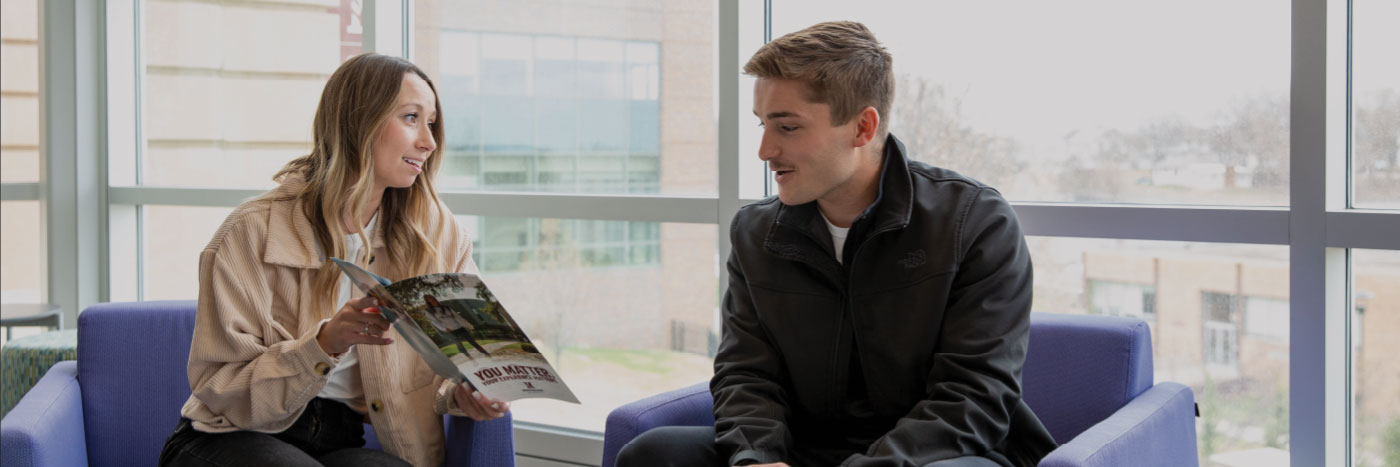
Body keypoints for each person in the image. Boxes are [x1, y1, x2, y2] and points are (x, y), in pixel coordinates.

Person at [617, 21, 1058, 467]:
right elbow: (746, 374)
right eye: (762, 126)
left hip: (938, 456)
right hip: (805, 452)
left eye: (787, 127)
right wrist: (758, 458)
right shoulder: (755, 233)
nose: (765, 150)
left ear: (862, 127)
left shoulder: (974, 221)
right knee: (653, 454)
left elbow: (974, 396)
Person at [158, 53, 509, 467]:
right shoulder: (249, 232)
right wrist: (324, 344)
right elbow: (223, 389)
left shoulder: (437, 235)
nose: (429, 142)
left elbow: (458, 359)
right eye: (412, 118)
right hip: (227, 436)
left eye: (431, 123)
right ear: (359, 122)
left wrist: (464, 393)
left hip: (340, 439)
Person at [423, 294, 492, 358]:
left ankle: (485, 352)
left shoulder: (446, 307)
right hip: (450, 330)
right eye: (430, 300)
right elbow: (435, 322)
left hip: (459, 327)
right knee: (459, 344)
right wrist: (444, 328)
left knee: (472, 341)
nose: (433, 300)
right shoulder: (429, 311)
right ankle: (467, 356)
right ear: (428, 302)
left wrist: (469, 326)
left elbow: (458, 317)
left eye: (433, 298)